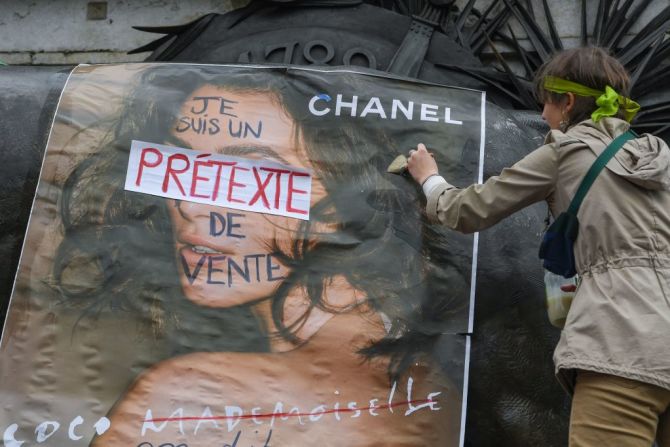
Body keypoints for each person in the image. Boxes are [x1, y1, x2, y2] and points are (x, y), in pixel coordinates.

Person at [52, 66, 465, 446]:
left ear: (348, 197)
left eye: (247, 174)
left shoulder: (184, 399)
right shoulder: (431, 386)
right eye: (183, 164)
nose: (190, 205)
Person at [408, 46, 670, 446]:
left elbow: (467, 210)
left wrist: (429, 178)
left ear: (566, 103)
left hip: (621, 346)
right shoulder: (659, 159)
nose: (543, 116)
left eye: (544, 104)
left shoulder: (565, 154)